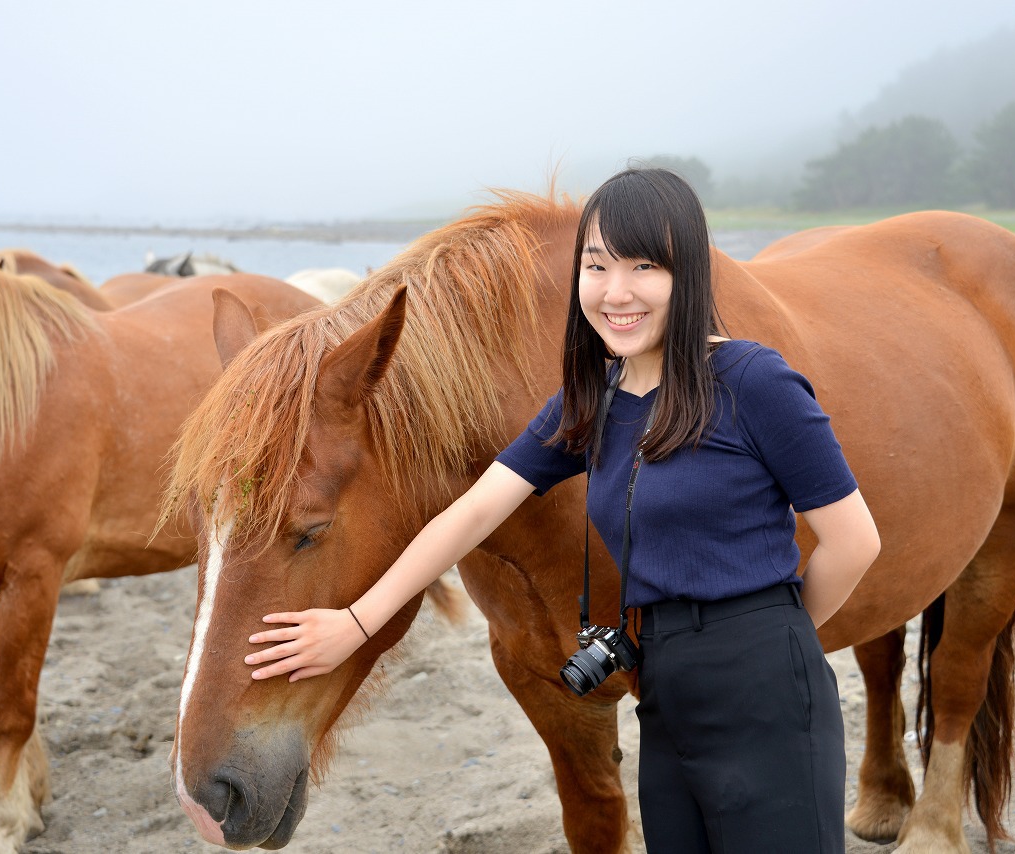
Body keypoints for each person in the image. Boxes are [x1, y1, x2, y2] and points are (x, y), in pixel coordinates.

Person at [243, 167, 880, 852]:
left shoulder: (755, 382)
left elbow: (854, 541)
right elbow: (474, 512)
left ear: (688, 274)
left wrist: (772, 638)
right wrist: (355, 623)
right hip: (664, 688)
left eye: (645, 266)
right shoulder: (591, 400)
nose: (616, 291)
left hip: (765, 683)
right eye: (597, 266)